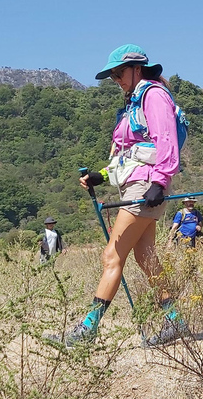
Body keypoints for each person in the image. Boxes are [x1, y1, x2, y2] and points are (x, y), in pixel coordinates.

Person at [63, 44, 188, 347]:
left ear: (137, 69)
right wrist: (101, 176)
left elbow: (166, 141)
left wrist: (159, 182)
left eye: (119, 73)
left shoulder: (153, 95)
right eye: (113, 75)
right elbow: (128, 155)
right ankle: (177, 321)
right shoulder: (133, 102)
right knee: (145, 258)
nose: (116, 79)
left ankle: (88, 329)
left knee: (111, 255)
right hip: (141, 184)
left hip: (146, 187)